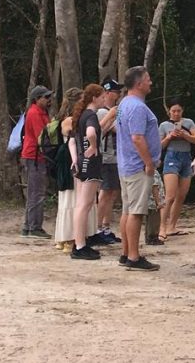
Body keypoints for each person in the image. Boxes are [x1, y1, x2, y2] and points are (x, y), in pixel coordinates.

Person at [115, 66, 162, 271]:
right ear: (139, 83)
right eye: (148, 79)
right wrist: (149, 162)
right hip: (137, 166)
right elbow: (137, 137)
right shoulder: (137, 107)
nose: (151, 82)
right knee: (136, 212)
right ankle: (134, 257)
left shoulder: (124, 103)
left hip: (126, 165)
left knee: (128, 210)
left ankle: (126, 253)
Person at [70, 84, 108, 260]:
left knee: (80, 205)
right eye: (101, 97)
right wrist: (93, 146)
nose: (103, 99)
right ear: (94, 98)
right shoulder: (91, 115)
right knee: (85, 205)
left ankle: (79, 242)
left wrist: (75, 159)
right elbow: (91, 132)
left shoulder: (79, 115)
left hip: (81, 162)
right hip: (90, 163)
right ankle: (79, 245)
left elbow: (71, 140)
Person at [159, 100, 195, 239]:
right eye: (173, 111)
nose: (176, 113)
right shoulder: (164, 125)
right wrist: (169, 137)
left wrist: (185, 135)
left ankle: (172, 226)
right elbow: (159, 146)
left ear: (182, 111)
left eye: (178, 111)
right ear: (169, 111)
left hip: (186, 158)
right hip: (171, 158)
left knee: (181, 195)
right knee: (169, 196)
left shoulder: (188, 123)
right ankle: (162, 227)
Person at [53, 88, 86, 252]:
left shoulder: (64, 118)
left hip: (66, 157)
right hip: (69, 159)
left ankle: (63, 236)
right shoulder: (69, 120)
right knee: (70, 197)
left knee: (68, 198)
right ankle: (68, 237)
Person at [20, 85, 54, 239]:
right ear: (37, 99)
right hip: (34, 156)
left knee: (35, 191)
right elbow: (42, 135)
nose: (48, 100)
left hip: (36, 156)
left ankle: (29, 226)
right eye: (45, 97)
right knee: (36, 192)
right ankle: (34, 226)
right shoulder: (34, 113)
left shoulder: (41, 112)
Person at [96, 77, 124, 245]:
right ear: (107, 93)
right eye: (116, 91)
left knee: (113, 192)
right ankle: (98, 227)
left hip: (115, 157)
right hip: (106, 157)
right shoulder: (103, 112)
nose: (119, 94)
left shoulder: (112, 111)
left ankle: (106, 226)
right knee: (105, 192)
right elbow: (110, 129)